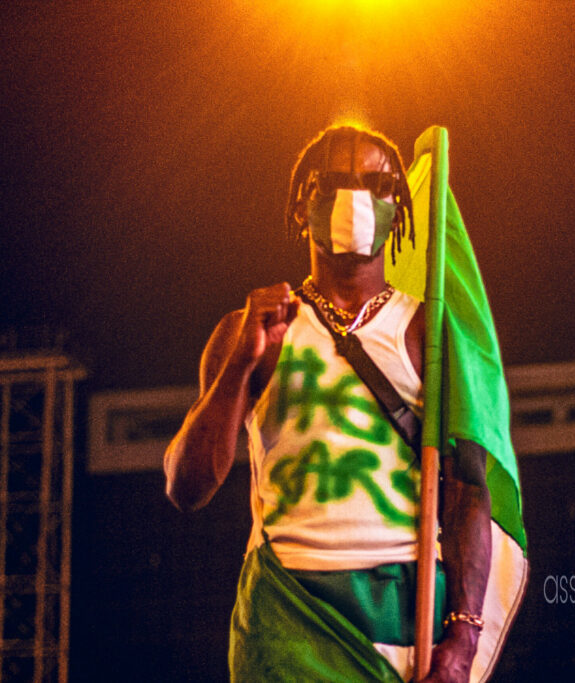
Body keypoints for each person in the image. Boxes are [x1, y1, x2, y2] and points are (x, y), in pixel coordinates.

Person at [164, 125, 492, 682]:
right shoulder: (253, 328)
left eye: (376, 182)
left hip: (402, 615)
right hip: (286, 614)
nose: (355, 197)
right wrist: (242, 362)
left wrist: (461, 642)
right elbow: (185, 488)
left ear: (401, 205)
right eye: (334, 181)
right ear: (301, 203)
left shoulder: (429, 333)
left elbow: (467, 493)